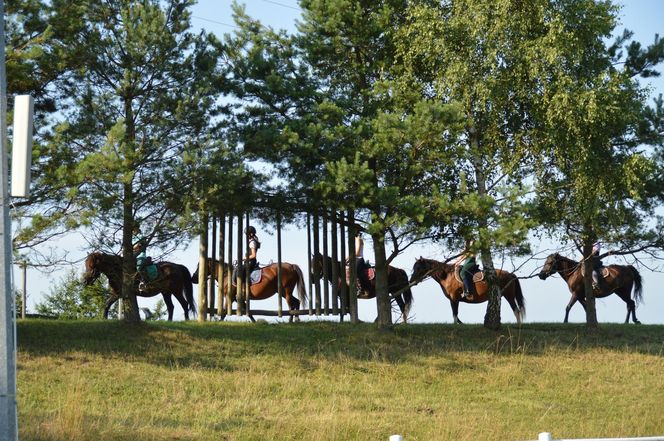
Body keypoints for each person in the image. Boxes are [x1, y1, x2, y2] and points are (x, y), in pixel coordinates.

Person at [132, 225, 148, 291]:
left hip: (141, 255)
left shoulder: (141, 236)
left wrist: (138, 245)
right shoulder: (131, 239)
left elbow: (142, 244)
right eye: (132, 230)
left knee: (139, 267)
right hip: (132, 257)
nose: (133, 231)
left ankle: (142, 282)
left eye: (134, 229)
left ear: (138, 229)